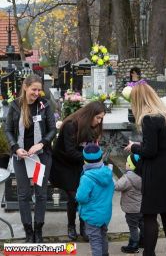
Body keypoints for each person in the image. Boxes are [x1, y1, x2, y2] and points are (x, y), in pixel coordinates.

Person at [124, 83, 166, 256]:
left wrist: (134, 148)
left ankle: (149, 253)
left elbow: (150, 151)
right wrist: (140, 144)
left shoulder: (149, 118)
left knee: (149, 215)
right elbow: (162, 144)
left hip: (156, 172)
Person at [5, 74, 57, 243]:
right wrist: (15, 147)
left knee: (41, 194)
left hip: (40, 156)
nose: (37, 93)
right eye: (34, 89)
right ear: (25, 87)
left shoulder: (44, 105)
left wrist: (41, 144)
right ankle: (28, 230)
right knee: (23, 194)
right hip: (21, 157)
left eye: (39, 90)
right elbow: (8, 131)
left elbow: (52, 130)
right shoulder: (15, 106)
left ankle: (38, 229)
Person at [49, 101, 106, 241]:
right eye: (98, 118)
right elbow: (70, 152)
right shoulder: (71, 125)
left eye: (101, 118)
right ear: (90, 115)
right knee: (74, 197)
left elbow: (90, 147)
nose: (99, 122)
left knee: (84, 196)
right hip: (64, 165)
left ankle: (83, 226)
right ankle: (71, 226)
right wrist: (91, 160)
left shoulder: (92, 127)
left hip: (80, 164)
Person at [76, 144, 114, 256]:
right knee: (103, 236)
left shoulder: (86, 178)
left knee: (95, 240)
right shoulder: (108, 173)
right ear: (101, 157)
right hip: (105, 214)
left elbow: (81, 197)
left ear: (85, 161)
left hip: (92, 215)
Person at [115, 153, 144, 253]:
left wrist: (110, 177)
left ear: (131, 165)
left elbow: (117, 186)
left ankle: (134, 245)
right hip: (141, 207)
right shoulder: (143, 176)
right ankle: (143, 240)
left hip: (131, 210)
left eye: (127, 162)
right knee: (141, 224)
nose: (126, 163)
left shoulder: (127, 178)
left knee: (133, 227)